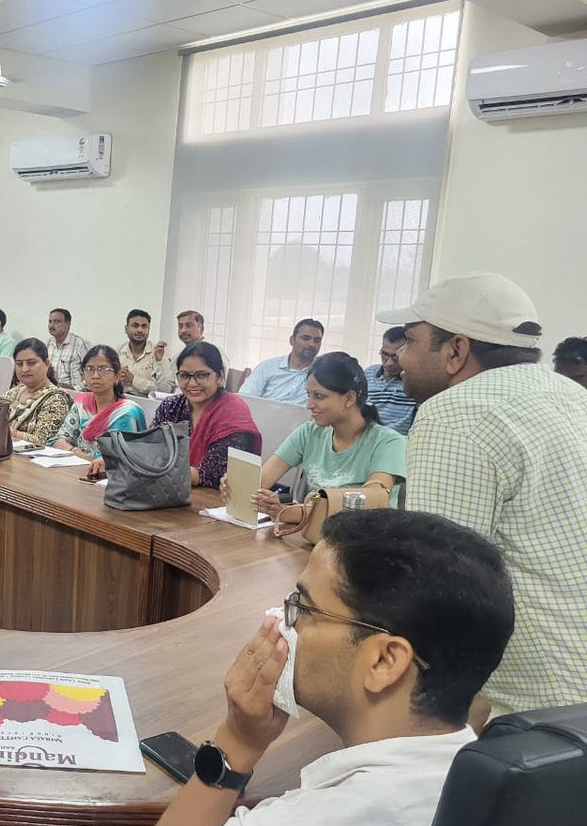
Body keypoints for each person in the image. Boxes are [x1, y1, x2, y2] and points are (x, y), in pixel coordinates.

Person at [127, 509, 514, 826]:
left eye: (304, 608)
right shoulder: (495, 790)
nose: (281, 622)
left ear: (384, 661)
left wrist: (237, 742)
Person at [380, 273, 587, 716]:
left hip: (532, 706)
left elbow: (443, 586)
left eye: (410, 341)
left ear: (456, 350)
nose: (400, 356)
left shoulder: (454, 414)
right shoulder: (572, 395)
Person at [230, 352, 406, 514]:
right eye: (309, 395)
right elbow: (261, 480)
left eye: (319, 396)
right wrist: (237, 487)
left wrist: (288, 512)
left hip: (359, 540)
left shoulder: (388, 443)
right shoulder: (309, 432)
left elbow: (373, 499)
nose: (309, 405)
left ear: (350, 398)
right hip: (308, 531)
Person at [153, 343, 261, 489]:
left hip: (214, 500)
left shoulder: (233, 412)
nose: (192, 383)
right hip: (165, 490)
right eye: (185, 375)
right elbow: (150, 449)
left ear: (220, 376)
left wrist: (152, 470)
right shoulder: (171, 407)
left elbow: (213, 473)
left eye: (202, 375)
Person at [51, 345, 147, 476]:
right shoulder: (82, 403)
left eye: (103, 369)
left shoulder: (128, 412)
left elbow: (116, 461)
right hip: (73, 472)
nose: (95, 376)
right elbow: (59, 441)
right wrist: (74, 450)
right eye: (89, 369)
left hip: (109, 480)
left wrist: (73, 450)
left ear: (117, 375)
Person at [5, 339, 73, 447]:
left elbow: (43, 441)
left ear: (46, 364)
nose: (24, 369)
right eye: (19, 364)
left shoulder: (56, 399)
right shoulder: (12, 393)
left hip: (31, 459)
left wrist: (12, 433)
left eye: (31, 363)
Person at [239, 319, 324, 405]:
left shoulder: (324, 372)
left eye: (317, 340)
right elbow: (244, 400)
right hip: (265, 416)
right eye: (305, 338)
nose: (311, 344)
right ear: (292, 340)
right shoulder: (267, 368)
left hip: (304, 417)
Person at [364, 327, 416, 435]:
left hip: (398, 441)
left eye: (395, 357)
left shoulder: (413, 380)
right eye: (385, 354)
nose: (389, 363)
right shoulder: (368, 374)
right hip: (367, 439)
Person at [117, 309, 174, 397]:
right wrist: (115, 379)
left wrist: (133, 380)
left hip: (148, 405)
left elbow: (165, 390)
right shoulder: (118, 352)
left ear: (148, 329)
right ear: (126, 329)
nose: (140, 330)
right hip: (121, 402)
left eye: (144, 326)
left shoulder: (158, 354)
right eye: (135, 326)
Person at [46, 307, 90, 390]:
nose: (52, 325)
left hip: (76, 395)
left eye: (57, 321)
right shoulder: (48, 344)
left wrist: (74, 389)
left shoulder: (80, 344)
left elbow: (92, 372)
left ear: (68, 324)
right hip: (53, 395)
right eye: (50, 321)